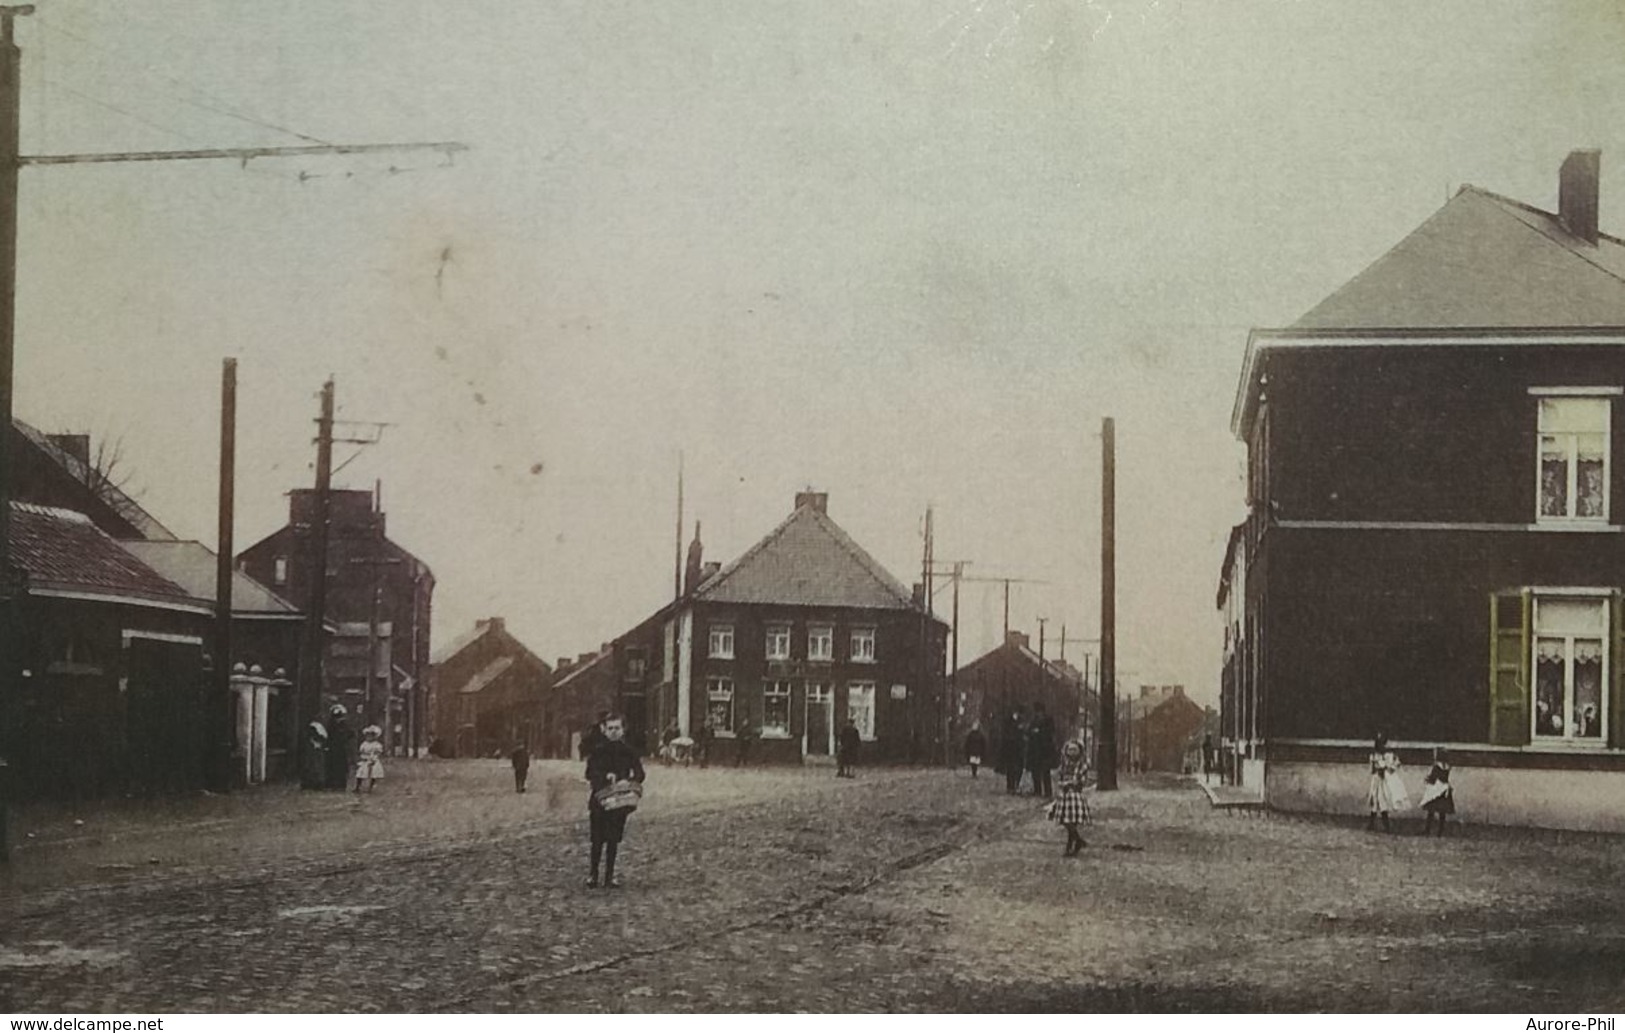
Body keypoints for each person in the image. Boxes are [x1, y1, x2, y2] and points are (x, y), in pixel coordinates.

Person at [585, 713, 645, 889]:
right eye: (610, 728)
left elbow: (640, 773)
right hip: (600, 800)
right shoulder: (597, 751)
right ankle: (593, 874)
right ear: (604, 730)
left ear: (622, 730)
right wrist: (604, 776)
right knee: (597, 839)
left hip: (619, 801)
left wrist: (630, 780)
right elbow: (589, 773)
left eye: (617, 728)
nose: (613, 732)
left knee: (613, 839)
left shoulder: (628, 751)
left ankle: (609, 876)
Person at [1049, 739, 1092, 856]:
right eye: (1070, 749)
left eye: (1074, 749)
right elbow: (1059, 775)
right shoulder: (1064, 763)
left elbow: (1080, 781)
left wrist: (1068, 783)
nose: (1072, 752)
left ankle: (1071, 845)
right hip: (1064, 795)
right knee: (1064, 820)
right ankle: (1077, 840)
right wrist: (1059, 782)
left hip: (1075, 794)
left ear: (1079, 751)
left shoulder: (1082, 764)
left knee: (1071, 821)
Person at [1366, 733, 1409, 832]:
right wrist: (1377, 769)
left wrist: (1386, 769)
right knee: (1375, 800)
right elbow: (1372, 769)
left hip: (1383, 780)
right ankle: (1372, 824)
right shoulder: (1374, 756)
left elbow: (1395, 765)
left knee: (1382, 801)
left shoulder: (1388, 756)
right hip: (1376, 780)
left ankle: (1386, 826)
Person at [1419, 747, 1455, 836]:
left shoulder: (1436, 766)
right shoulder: (1447, 767)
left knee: (1431, 810)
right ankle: (1440, 832)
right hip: (1444, 789)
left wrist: (1427, 779)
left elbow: (1433, 778)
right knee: (1442, 812)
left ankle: (1427, 830)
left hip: (1437, 789)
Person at [1027, 702, 1056, 799]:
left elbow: (1051, 732)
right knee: (1035, 771)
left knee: (1045, 771)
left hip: (1045, 749)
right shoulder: (1034, 720)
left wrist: (1039, 732)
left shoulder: (1048, 719)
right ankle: (1037, 790)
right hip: (1035, 749)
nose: (1037, 713)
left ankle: (1047, 791)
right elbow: (1029, 730)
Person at [325, 705, 354, 791]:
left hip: (341, 748)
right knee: (331, 766)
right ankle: (331, 784)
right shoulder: (330, 724)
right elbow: (328, 734)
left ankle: (341, 785)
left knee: (341, 766)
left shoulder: (344, 724)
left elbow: (351, 733)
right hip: (332, 747)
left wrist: (344, 737)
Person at [1001, 708, 1026, 795]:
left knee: (1018, 768)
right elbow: (1007, 735)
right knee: (1011, 768)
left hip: (1018, 748)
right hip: (1011, 748)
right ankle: (1011, 786)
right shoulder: (1009, 722)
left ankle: (1015, 785)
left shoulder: (1021, 721)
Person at [354, 725, 385, 793]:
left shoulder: (377, 744)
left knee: (373, 774)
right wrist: (362, 757)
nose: (369, 737)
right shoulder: (364, 744)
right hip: (365, 759)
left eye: (371, 736)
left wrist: (374, 759)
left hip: (373, 759)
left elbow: (378, 753)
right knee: (360, 773)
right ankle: (357, 786)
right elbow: (361, 751)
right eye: (367, 736)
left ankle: (370, 787)